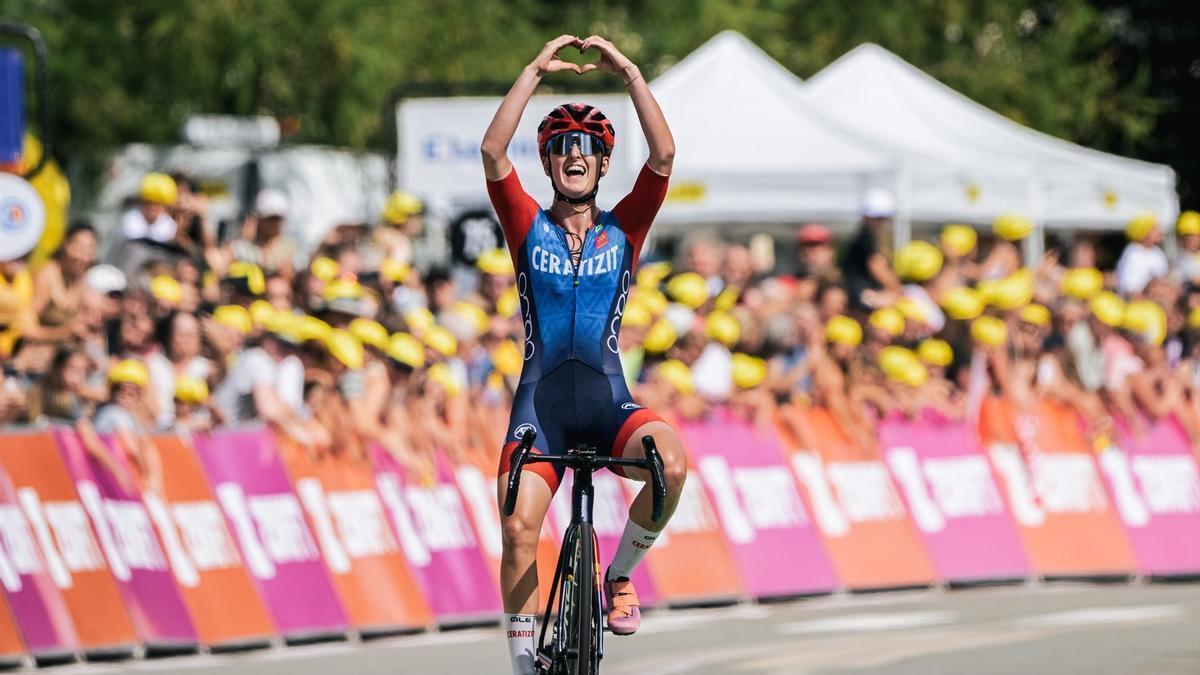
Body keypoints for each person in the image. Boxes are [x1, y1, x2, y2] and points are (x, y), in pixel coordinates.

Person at [481, 34, 684, 674]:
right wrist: (534, 70)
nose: (576, 155)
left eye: (588, 149)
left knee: (669, 466)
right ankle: (522, 665)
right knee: (518, 528)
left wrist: (627, 70)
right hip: (541, 405)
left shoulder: (625, 228)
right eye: (563, 148)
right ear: (549, 165)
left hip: (606, 398)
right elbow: (491, 150)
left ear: (601, 166)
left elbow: (665, 153)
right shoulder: (525, 225)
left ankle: (618, 576)